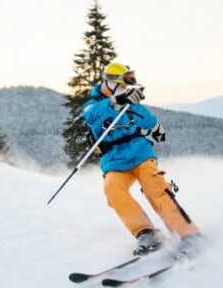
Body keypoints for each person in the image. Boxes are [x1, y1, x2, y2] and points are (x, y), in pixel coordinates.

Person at [82, 62, 202, 257]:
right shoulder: (93, 105)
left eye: (127, 86)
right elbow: (91, 116)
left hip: (140, 152)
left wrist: (158, 131)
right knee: (113, 190)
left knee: (154, 187)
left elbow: (149, 121)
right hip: (113, 159)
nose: (126, 89)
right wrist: (116, 101)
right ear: (111, 82)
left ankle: (189, 235)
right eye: (122, 84)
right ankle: (146, 233)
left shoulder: (132, 104)